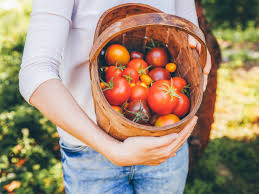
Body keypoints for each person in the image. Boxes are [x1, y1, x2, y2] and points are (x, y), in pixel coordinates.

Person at [19, 0, 211, 193]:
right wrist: (112, 149)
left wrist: (201, 56)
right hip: (89, 150)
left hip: (164, 144)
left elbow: (189, 37)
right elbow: (35, 73)